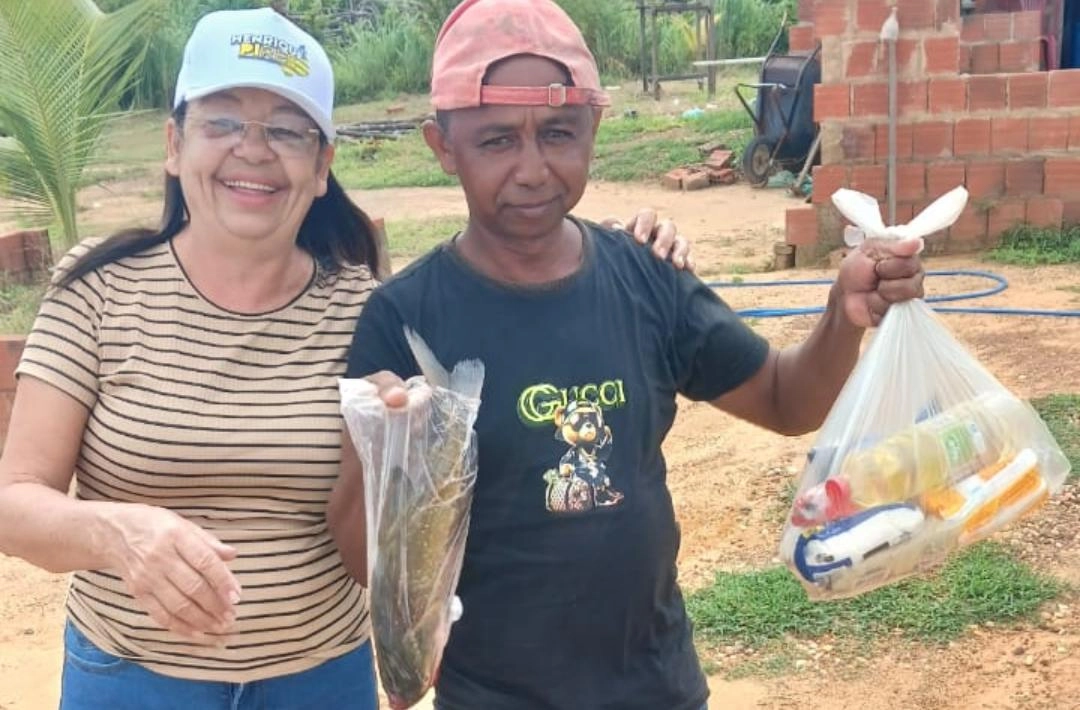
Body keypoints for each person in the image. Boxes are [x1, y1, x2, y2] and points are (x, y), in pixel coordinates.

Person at [0, 7, 693, 710]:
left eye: (286, 130)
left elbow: (424, 508)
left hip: (321, 682)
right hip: (132, 680)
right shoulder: (98, 289)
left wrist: (626, 251)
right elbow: (13, 502)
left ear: (323, 164)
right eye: (224, 122)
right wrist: (116, 532)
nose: (254, 149)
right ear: (174, 145)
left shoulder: (371, 312)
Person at [331, 1, 926, 709]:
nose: (532, 169)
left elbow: (783, 399)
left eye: (558, 133)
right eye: (495, 141)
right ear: (442, 146)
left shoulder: (647, 278)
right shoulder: (404, 321)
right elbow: (365, 560)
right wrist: (396, 454)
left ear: (594, 129)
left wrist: (842, 314)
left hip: (656, 687)